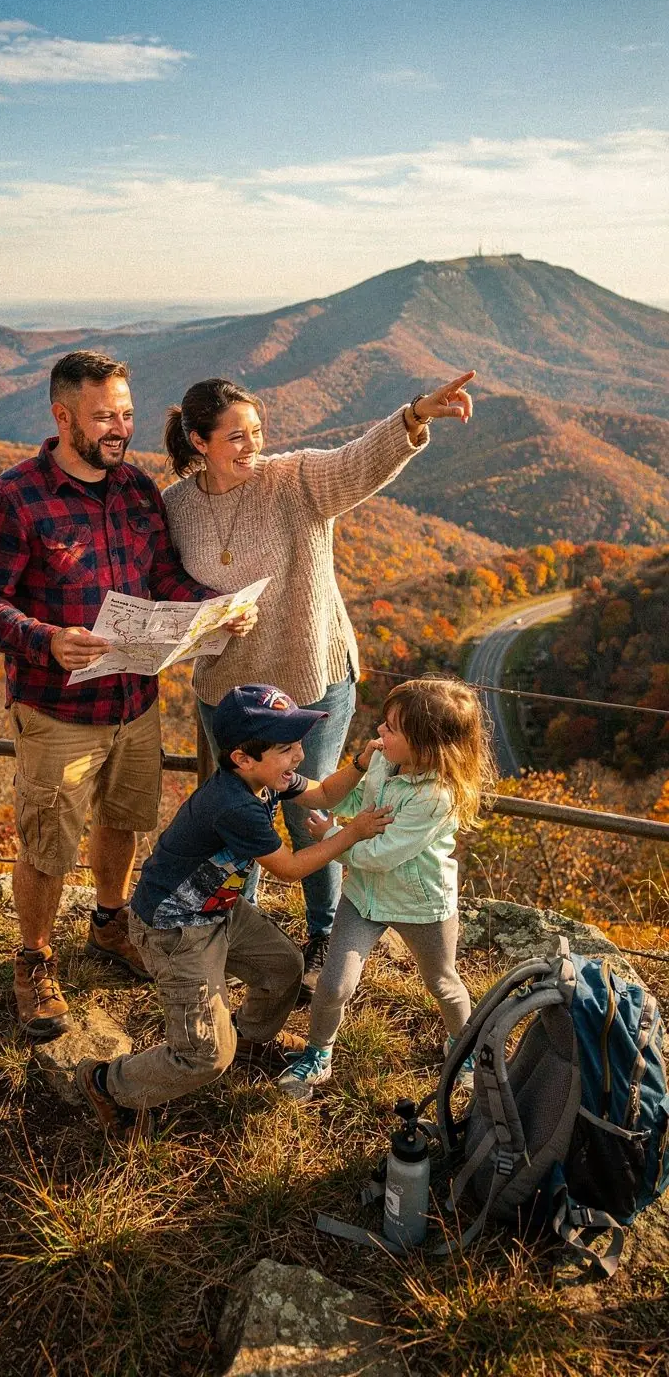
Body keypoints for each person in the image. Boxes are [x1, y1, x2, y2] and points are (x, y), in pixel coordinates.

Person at [0, 350, 254, 1040]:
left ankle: (109, 923)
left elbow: (164, 578)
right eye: (102, 416)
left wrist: (216, 607)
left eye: (125, 412)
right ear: (62, 416)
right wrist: (44, 639)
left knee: (123, 821)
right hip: (56, 707)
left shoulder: (137, 491)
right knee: (47, 846)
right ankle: (33, 959)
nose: (119, 428)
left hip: (134, 701)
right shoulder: (12, 498)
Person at [162, 371, 476, 999]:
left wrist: (414, 415)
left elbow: (359, 463)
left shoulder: (294, 479)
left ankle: (324, 933)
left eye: (257, 432)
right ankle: (230, 931)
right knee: (237, 808)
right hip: (229, 687)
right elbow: (167, 587)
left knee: (312, 810)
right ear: (198, 441)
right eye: (235, 438)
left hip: (311, 676)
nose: (252, 446)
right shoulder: (174, 507)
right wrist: (207, 609)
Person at [74, 683, 394, 1143]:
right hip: (174, 929)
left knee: (283, 966)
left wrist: (361, 764)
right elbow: (288, 869)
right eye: (286, 748)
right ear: (243, 758)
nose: (298, 756)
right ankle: (107, 1084)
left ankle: (247, 1038)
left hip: (219, 908)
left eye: (296, 744)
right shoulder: (235, 804)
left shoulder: (265, 779)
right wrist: (353, 833)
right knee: (203, 1056)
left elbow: (324, 794)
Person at [278, 677, 497, 1101]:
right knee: (334, 984)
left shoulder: (436, 796)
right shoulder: (383, 761)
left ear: (427, 746)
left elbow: (380, 853)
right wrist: (309, 794)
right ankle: (318, 1055)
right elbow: (357, 804)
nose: (379, 731)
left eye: (392, 728)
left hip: (421, 904)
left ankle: (464, 1049)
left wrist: (331, 838)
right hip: (363, 897)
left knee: (442, 982)